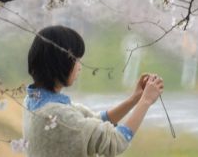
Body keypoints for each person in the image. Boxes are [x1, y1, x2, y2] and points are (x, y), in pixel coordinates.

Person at [23, 25, 164, 157]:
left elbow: (93, 121)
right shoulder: (56, 114)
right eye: (77, 60)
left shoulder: (34, 100)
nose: (80, 67)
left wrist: (135, 99)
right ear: (60, 62)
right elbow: (115, 142)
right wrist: (145, 101)